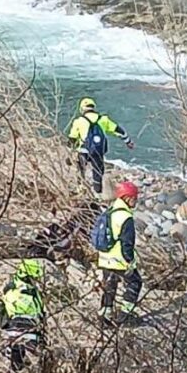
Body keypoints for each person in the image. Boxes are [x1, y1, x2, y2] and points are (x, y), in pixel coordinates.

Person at [0, 259, 47, 373]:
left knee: (22, 363)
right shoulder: (18, 289)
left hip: (28, 327)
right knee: (21, 361)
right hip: (21, 326)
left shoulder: (25, 289)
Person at [68, 97, 134, 196]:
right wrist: (128, 141)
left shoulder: (79, 121)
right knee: (98, 172)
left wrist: (69, 153)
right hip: (98, 151)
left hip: (83, 151)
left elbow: (72, 138)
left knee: (81, 170)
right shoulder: (103, 119)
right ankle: (98, 193)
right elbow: (118, 130)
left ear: (81, 109)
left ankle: (80, 190)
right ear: (93, 107)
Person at [98, 181, 143, 326]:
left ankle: (104, 317)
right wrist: (130, 261)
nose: (136, 201)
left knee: (109, 287)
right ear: (128, 198)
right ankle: (125, 315)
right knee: (135, 283)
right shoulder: (126, 217)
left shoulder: (109, 212)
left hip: (105, 258)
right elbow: (127, 244)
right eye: (135, 198)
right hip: (119, 260)